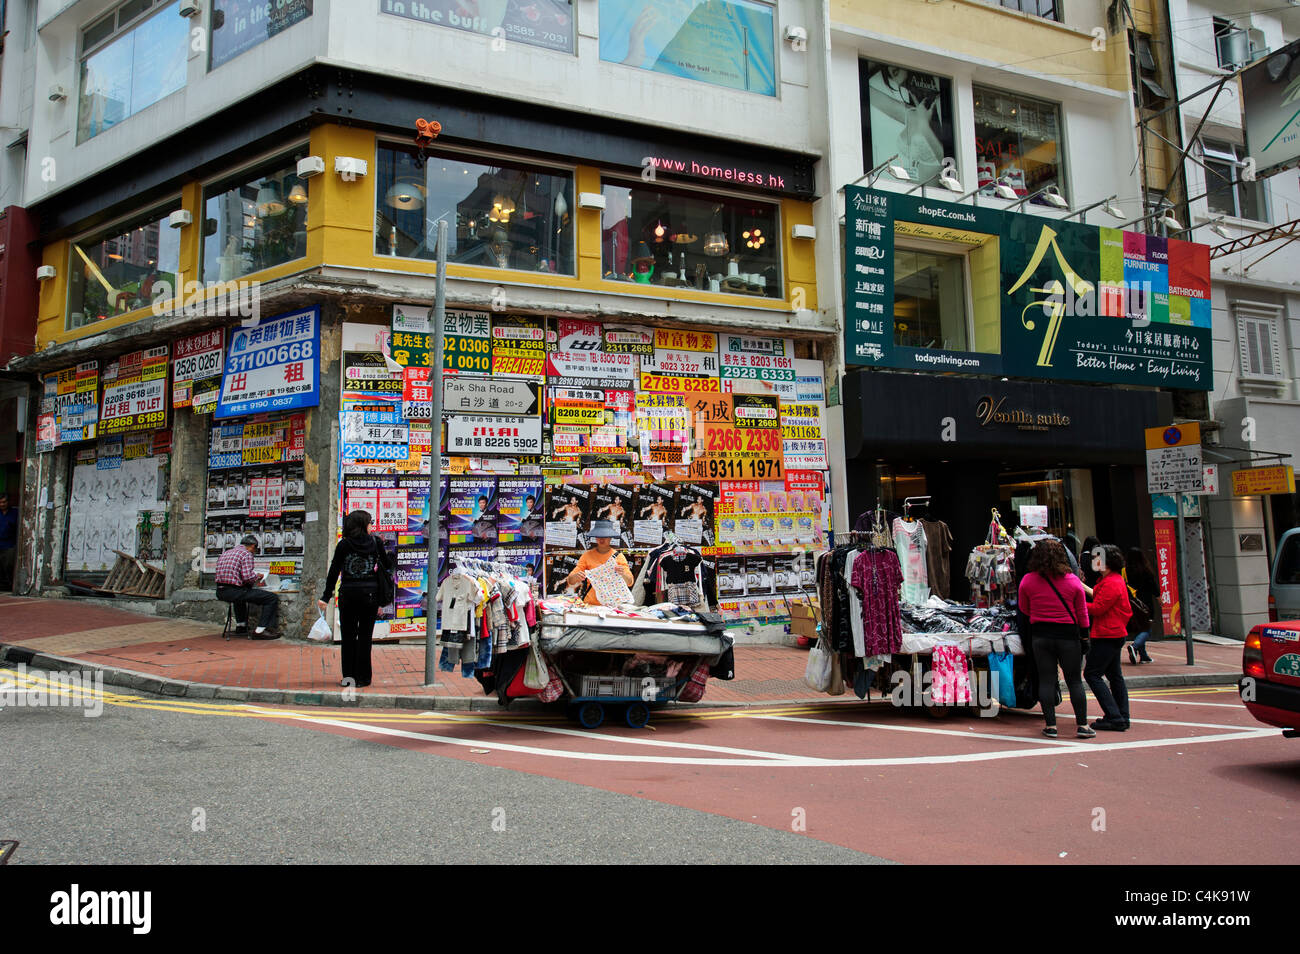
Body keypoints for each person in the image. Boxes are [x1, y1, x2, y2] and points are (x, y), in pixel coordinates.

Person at [1018, 538, 1095, 739]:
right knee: (1074, 681)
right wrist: (1085, 636)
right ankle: (1083, 725)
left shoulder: (1027, 580)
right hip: (1068, 636)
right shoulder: (1072, 580)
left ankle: (1051, 726)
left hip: (1040, 635)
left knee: (1046, 680)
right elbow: (1082, 613)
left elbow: (1024, 609)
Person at [319, 510, 394, 689]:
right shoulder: (376, 542)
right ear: (362, 525)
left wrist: (326, 595)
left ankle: (349, 677)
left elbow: (334, 571)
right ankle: (364, 677)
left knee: (349, 637)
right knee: (365, 637)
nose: (371, 526)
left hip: (348, 594)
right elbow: (388, 564)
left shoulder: (344, 545)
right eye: (370, 523)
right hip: (370, 595)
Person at [1085, 545, 1134, 730]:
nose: (1093, 562)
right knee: (1114, 676)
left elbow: (1098, 608)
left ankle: (1115, 716)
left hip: (1108, 633)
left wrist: (1077, 603)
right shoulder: (1109, 579)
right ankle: (1121, 715)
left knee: (1092, 674)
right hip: (1112, 632)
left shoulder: (1112, 582)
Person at [215, 534, 279, 638]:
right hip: (234, 591)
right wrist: (258, 576)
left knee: (239, 598)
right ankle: (260, 630)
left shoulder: (226, 553)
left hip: (220, 591)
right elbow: (247, 577)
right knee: (271, 598)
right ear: (253, 546)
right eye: (255, 549)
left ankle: (241, 626)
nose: (254, 552)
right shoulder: (246, 554)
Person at [566, 520, 633, 606]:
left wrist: (622, 573)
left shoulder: (618, 556)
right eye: (599, 536)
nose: (601, 539)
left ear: (610, 537)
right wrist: (577, 576)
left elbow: (629, 582)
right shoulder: (587, 556)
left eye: (605, 536)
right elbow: (570, 580)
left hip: (612, 606)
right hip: (591, 605)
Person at [1125, 547, 1159, 664]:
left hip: (1132, 602)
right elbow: (1153, 587)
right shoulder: (1146, 570)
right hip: (1146, 603)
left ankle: (1143, 656)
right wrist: (1159, 599)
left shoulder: (1125, 571)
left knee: (1141, 627)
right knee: (1146, 628)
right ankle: (1135, 646)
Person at [0, 493, 17, 591]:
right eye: (0, 503)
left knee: (8, 565)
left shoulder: (14, 513)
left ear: (8, 502)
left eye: (4, 502)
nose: (2, 504)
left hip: (9, 545)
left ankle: (9, 585)